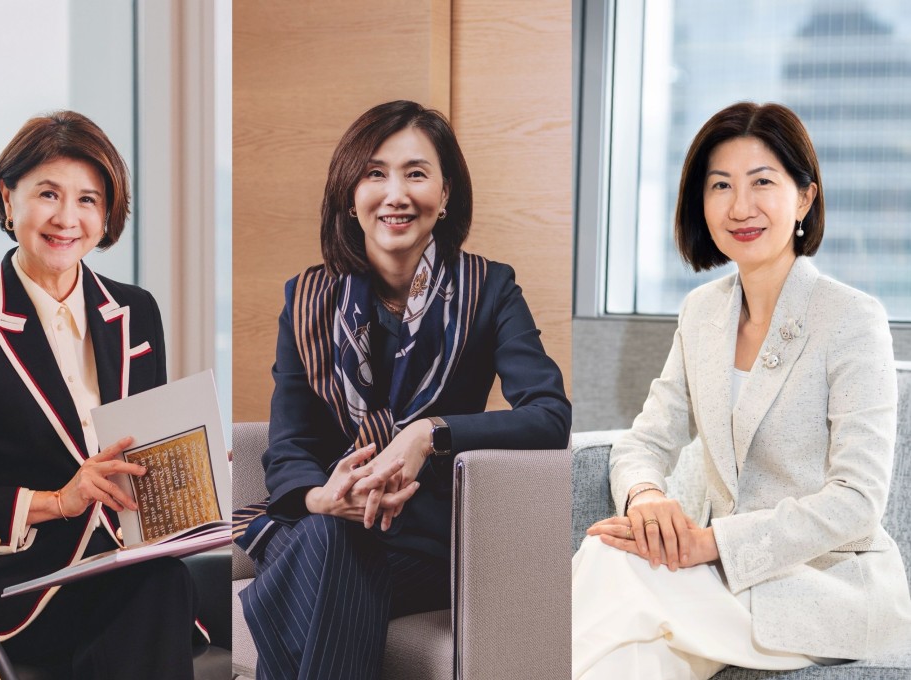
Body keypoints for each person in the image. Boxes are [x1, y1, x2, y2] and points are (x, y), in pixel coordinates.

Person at [232, 100, 572, 679]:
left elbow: (549, 416)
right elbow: (289, 445)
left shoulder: (489, 290)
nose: (396, 193)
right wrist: (325, 499)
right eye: (375, 173)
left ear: (444, 196)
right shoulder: (307, 301)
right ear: (349, 196)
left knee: (324, 556)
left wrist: (428, 434)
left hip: (424, 543)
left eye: (416, 173)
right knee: (332, 540)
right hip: (322, 521)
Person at [571, 102, 911, 678]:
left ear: (804, 197)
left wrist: (713, 544)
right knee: (627, 648)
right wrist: (646, 499)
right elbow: (643, 443)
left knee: (612, 572)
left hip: (823, 590)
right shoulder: (702, 314)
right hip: (724, 584)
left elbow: (856, 502)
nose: (740, 207)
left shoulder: (852, 318)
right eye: (721, 185)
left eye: (762, 183)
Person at [0, 111, 198, 678]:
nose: (66, 218)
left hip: (116, 561)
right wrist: (59, 500)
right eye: (48, 194)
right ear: (9, 200)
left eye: (88, 199)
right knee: (154, 589)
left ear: (107, 215)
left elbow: (137, 457)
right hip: (11, 575)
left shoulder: (136, 313)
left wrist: (190, 472)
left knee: (159, 579)